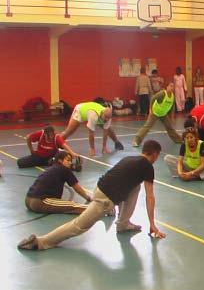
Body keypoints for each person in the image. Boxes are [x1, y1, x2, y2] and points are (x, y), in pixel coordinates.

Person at [17, 140, 166, 251]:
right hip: (105, 200)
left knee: (135, 186)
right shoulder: (147, 166)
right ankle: (41, 242)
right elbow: (150, 196)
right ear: (155, 154)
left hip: (99, 189)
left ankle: (123, 224)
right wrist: (152, 224)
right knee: (79, 226)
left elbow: (123, 185)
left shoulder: (130, 159)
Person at [24, 151, 91, 214]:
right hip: (40, 201)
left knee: (65, 204)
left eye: (70, 161)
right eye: (68, 160)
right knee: (72, 205)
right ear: (60, 160)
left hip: (28, 200)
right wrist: (88, 198)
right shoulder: (64, 169)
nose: (70, 162)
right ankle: (96, 210)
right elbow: (77, 188)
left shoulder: (52, 168)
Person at [132, 82, 183, 147]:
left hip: (163, 114)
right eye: (170, 86)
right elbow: (153, 98)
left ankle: (179, 140)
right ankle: (136, 141)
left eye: (173, 86)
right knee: (147, 126)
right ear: (167, 87)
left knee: (169, 127)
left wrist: (172, 117)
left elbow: (173, 107)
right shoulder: (162, 94)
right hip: (155, 112)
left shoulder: (172, 96)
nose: (171, 88)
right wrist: (150, 109)